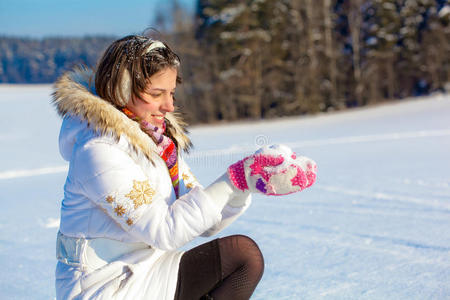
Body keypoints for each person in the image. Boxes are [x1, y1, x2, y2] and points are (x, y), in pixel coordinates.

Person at [52, 35, 317, 300]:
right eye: (157, 94)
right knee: (242, 254)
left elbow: (202, 223)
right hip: (106, 285)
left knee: (242, 257)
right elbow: (166, 231)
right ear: (121, 90)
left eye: (171, 93)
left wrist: (247, 183)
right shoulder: (98, 151)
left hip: (146, 268)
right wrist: (235, 179)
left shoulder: (156, 143)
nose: (169, 106)